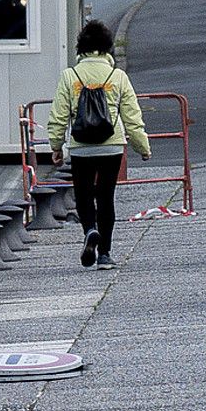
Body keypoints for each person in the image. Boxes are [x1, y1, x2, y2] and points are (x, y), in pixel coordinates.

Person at [47, 20, 150, 271]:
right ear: (107, 48)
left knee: (83, 195)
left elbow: (59, 115)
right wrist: (142, 147)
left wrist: (56, 145)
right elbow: (132, 117)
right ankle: (105, 254)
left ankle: (90, 230)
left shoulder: (70, 76)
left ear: (81, 48)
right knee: (106, 197)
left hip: (82, 146)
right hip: (111, 145)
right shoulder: (118, 77)